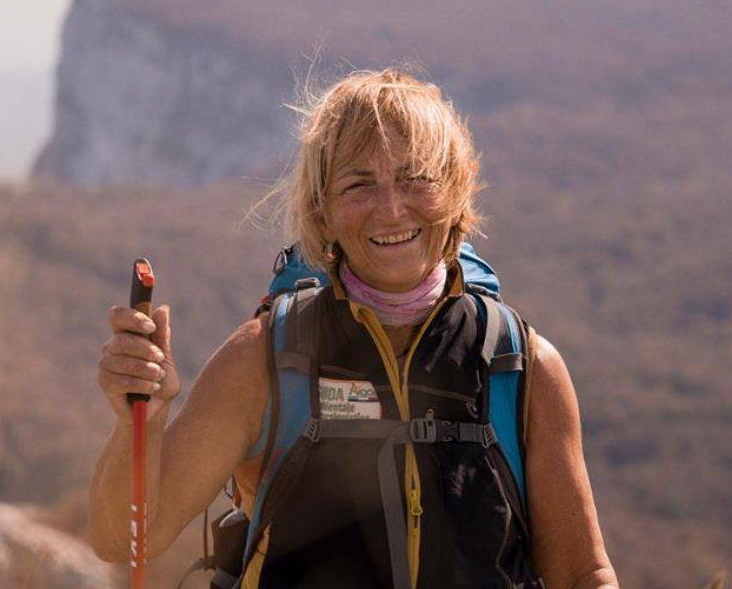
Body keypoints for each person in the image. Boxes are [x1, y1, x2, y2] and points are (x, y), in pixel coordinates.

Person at [90, 68, 619, 588]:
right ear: (321, 213)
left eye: (417, 177)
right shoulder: (264, 359)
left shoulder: (520, 366)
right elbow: (126, 541)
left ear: (457, 192)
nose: (391, 209)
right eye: (358, 185)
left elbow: (584, 574)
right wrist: (140, 423)